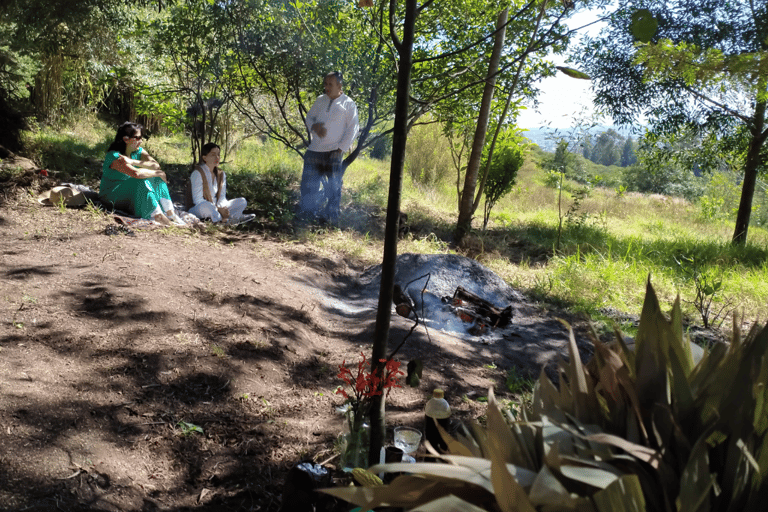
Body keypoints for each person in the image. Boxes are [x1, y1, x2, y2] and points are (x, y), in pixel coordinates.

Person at [300, 71, 359, 224]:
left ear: (339, 86)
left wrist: (340, 149)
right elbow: (309, 117)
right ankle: (307, 216)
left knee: (333, 188)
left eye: (330, 84)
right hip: (314, 150)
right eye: (325, 83)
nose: (326, 87)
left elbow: (353, 128)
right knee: (308, 185)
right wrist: (314, 126)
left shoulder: (348, 103)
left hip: (334, 152)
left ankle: (330, 219)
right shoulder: (320, 100)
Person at [100, 121, 185, 226]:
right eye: (138, 138)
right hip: (111, 196)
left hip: (131, 193)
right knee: (142, 180)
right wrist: (159, 173)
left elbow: (156, 165)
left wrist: (132, 161)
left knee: (156, 179)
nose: (141, 141)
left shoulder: (138, 151)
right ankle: (159, 217)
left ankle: (171, 214)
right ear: (126, 139)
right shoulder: (115, 156)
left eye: (141, 138)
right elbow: (136, 174)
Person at [187, 142, 253, 225]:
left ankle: (228, 218)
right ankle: (226, 220)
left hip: (216, 208)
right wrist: (218, 209)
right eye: (213, 154)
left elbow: (222, 197)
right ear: (204, 157)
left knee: (242, 201)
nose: (217, 157)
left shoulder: (221, 174)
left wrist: (223, 209)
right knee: (208, 207)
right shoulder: (198, 173)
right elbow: (198, 200)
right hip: (200, 208)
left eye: (218, 154)